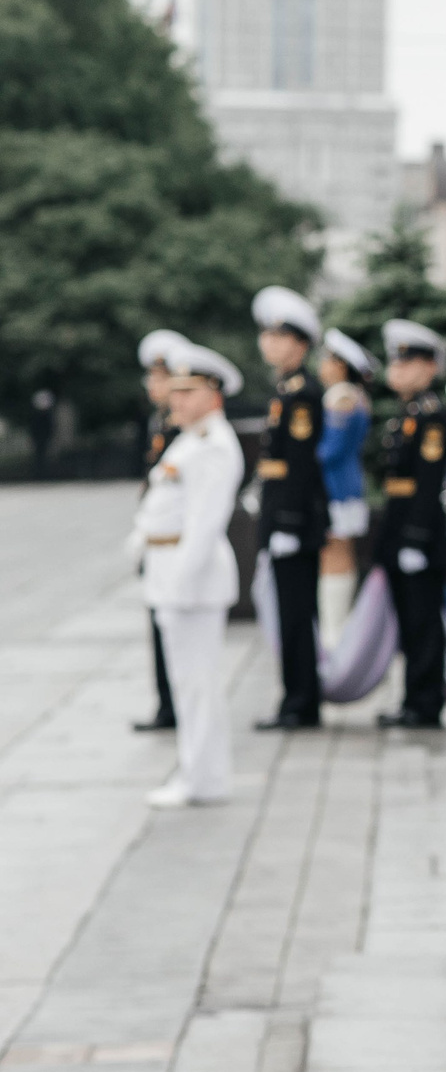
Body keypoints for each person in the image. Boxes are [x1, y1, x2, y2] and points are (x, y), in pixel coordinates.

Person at [136, 342, 246, 807]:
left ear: (213, 395)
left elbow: (205, 523)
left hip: (192, 579)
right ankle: (197, 773)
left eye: (188, 391)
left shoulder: (214, 445)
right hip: (170, 572)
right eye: (174, 390)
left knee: (197, 685)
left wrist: (180, 581)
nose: (176, 400)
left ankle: (205, 779)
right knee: (186, 683)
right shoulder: (191, 437)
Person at [251, 287, 329, 731]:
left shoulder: (303, 392)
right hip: (283, 516)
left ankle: (301, 702)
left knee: (298, 616)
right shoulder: (285, 390)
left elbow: (300, 465)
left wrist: (288, 522)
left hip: (294, 521)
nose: (268, 343)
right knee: (289, 615)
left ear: (300, 343)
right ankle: (295, 698)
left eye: (278, 335)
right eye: (267, 335)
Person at [376, 320, 446, 729]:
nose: (398, 370)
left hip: (419, 536)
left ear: (428, 368)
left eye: (407, 363)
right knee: (410, 623)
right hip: (401, 529)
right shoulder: (408, 413)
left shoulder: (432, 414)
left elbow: (428, 482)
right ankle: (412, 698)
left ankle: (425, 703)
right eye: (396, 362)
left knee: (423, 623)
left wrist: (414, 537)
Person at [134, 330, 187, 732]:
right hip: (157, 542)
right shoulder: (161, 421)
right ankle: (167, 704)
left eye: (158, 377)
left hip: (176, 546)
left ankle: (174, 705)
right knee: (158, 627)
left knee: (172, 628)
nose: (152, 385)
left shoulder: (182, 428)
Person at [317, 328, 376, 647]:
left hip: (336, 483)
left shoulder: (341, 396)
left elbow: (331, 449)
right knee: (338, 550)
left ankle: (335, 630)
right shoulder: (348, 394)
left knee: (335, 550)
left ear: (341, 365)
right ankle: (336, 626)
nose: (322, 365)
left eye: (327, 359)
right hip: (343, 480)